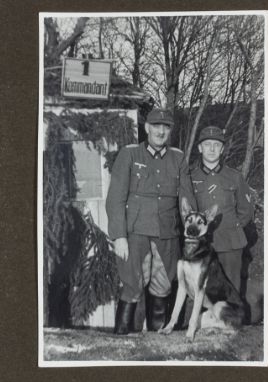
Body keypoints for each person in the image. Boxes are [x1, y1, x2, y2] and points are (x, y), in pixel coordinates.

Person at [106, 108, 196, 334]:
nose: (161, 131)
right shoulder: (130, 155)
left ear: (170, 132)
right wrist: (119, 236)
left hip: (168, 235)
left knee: (163, 287)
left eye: (166, 127)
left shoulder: (178, 158)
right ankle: (121, 342)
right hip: (136, 234)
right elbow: (115, 198)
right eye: (156, 126)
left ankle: (157, 345)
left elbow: (187, 200)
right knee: (132, 285)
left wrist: (192, 237)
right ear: (147, 128)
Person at [190, 126, 254, 317]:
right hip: (202, 244)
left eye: (216, 145)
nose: (211, 149)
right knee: (203, 286)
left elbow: (246, 210)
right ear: (200, 148)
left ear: (222, 149)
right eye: (207, 144)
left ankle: (232, 326)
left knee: (231, 288)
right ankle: (206, 324)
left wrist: (231, 228)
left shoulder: (234, 176)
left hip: (230, 242)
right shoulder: (191, 178)